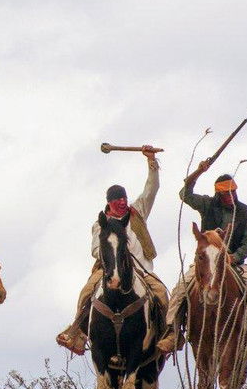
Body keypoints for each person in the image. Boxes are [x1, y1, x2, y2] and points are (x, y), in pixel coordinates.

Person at [56, 145, 168, 355]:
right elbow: (96, 249)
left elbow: (151, 189)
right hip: (109, 270)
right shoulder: (101, 224)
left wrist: (151, 161)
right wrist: (112, 255)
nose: (123, 205)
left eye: (124, 201)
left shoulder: (137, 212)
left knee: (162, 294)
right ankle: (77, 333)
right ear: (109, 204)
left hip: (141, 270)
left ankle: (167, 335)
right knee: (87, 292)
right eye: (118, 202)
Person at [158, 160, 247, 352]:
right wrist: (198, 172)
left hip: (234, 262)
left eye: (233, 192)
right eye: (226, 193)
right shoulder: (207, 204)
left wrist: (234, 257)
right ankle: (173, 332)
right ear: (218, 194)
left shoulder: (244, 212)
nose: (230, 196)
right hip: (206, 262)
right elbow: (184, 194)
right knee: (180, 288)